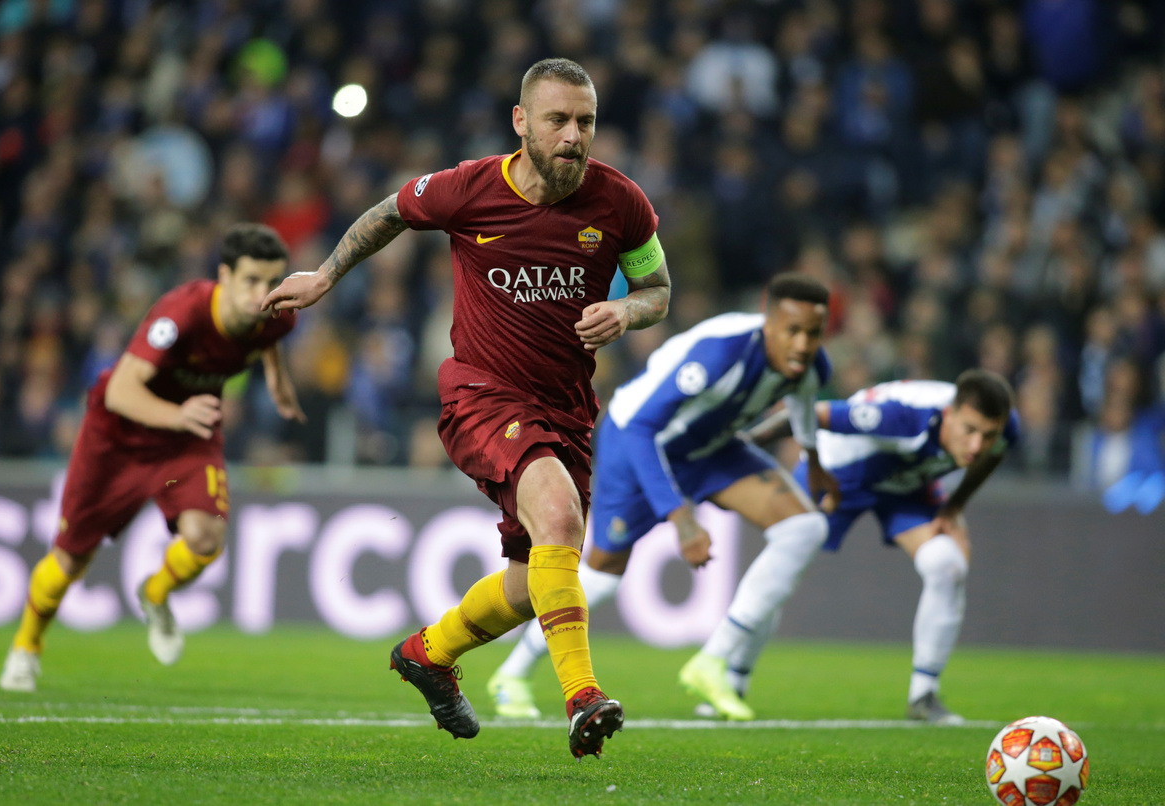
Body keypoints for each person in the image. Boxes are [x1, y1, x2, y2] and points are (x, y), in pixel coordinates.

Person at [259, 58, 672, 759]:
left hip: (567, 409)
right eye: (558, 120)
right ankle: (582, 696)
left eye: (585, 122)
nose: (573, 136)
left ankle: (428, 653)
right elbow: (390, 212)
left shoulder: (621, 202)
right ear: (521, 122)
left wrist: (627, 312)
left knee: (533, 579)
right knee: (560, 517)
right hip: (482, 393)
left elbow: (658, 290)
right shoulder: (469, 188)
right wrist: (325, 276)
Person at [487, 272, 840, 721]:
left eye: (813, 333)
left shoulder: (812, 365)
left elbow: (804, 401)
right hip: (635, 444)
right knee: (603, 575)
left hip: (710, 448)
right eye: (793, 331)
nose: (803, 345)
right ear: (768, 323)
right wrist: (682, 519)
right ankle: (512, 673)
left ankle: (719, 665)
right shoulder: (720, 352)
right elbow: (641, 427)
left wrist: (814, 461)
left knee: (804, 528)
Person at [0, 223, 304, 693]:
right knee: (70, 562)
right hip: (117, 437)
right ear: (224, 275)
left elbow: (266, 337)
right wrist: (177, 414)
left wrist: (278, 380)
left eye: (272, 281)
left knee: (206, 538)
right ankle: (26, 646)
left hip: (187, 438)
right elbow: (120, 391)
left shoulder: (279, 315)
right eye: (250, 281)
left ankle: (155, 594)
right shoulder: (181, 314)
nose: (262, 294)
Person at [684, 369, 1020, 724]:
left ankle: (924, 696)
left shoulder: (1005, 426)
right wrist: (743, 444)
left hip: (908, 482)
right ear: (950, 414)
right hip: (840, 472)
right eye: (970, 431)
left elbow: (994, 453)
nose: (977, 446)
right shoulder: (903, 417)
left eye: (988, 435)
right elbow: (813, 413)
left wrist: (954, 507)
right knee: (786, 564)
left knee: (947, 564)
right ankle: (734, 680)